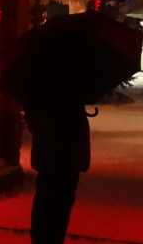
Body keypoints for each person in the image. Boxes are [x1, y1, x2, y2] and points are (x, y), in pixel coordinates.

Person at [25, 99, 91, 244]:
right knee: (56, 203)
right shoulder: (70, 93)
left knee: (49, 202)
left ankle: (44, 238)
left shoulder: (41, 92)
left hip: (55, 154)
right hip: (63, 154)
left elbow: (33, 120)